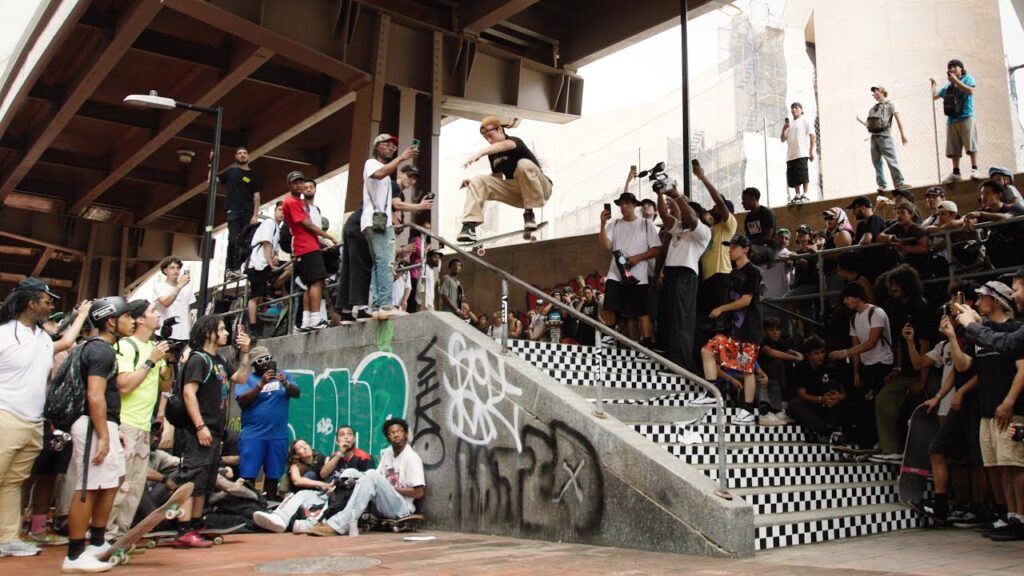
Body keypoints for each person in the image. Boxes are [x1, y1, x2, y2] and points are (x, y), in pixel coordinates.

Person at [62, 296, 135, 573]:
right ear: (111, 321)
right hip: (94, 425)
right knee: (88, 487)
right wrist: (104, 434)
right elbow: (95, 395)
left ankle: (96, 542)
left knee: (111, 480)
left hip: (103, 424)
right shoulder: (101, 351)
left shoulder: (100, 349)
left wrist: (111, 430)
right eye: (127, 316)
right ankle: (74, 554)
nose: (133, 321)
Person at [166, 316, 250, 548]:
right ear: (208, 333)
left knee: (205, 481)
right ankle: (183, 529)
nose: (226, 333)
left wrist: (245, 352)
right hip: (198, 431)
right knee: (191, 480)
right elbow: (188, 394)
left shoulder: (220, 360)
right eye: (221, 329)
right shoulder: (198, 359)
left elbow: (241, 378)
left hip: (215, 431)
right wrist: (200, 426)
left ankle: (194, 525)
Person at [953, 281, 1024, 539]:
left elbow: (1022, 369)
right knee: (1000, 465)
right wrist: (953, 335)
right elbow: (963, 366)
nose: (978, 301)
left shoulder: (1015, 329)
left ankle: (1019, 517)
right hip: (987, 409)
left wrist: (1008, 402)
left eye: (982, 297)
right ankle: (1009, 515)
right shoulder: (982, 333)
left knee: (1015, 465)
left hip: (1010, 409)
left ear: (995, 300)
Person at [0, 278, 63, 558]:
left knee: (13, 483)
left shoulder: (44, 339)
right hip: (5, 415)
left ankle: (7, 538)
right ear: (31, 303)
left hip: (33, 422)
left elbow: (67, 342)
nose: (50, 306)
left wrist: (83, 316)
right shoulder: (4, 334)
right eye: (47, 301)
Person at [105, 300, 172, 543]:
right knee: (119, 484)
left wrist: (169, 362)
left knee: (134, 487)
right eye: (153, 311)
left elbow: (166, 385)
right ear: (140, 319)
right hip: (126, 424)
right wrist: (151, 360)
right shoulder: (126, 346)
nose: (157, 315)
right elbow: (124, 385)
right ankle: (104, 534)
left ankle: (121, 537)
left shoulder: (155, 348)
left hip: (144, 426)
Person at [307, 417, 425, 537]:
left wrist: (393, 488)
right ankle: (322, 520)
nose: (395, 435)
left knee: (371, 475)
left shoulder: (411, 458)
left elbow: (419, 492)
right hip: (381, 504)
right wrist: (345, 481)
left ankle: (340, 524)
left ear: (405, 434)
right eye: (391, 433)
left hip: (401, 508)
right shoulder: (388, 453)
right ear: (388, 437)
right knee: (350, 472)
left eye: (399, 431)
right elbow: (375, 476)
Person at [252, 426, 374, 533]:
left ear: (354, 438)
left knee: (345, 480)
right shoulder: (334, 456)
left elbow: (367, 482)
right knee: (302, 494)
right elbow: (324, 473)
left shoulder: (364, 457)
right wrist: (340, 453)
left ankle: (311, 524)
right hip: (325, 492)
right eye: (342, 435)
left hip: (345, 496)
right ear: (337, 441)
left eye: (349, 434)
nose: (346, 437)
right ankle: (279, 519)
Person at [701, 234, 764, 425]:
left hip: (749, 329)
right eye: (730, 247)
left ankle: (748, 410)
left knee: (747, 369)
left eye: (735, 247)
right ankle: (712, 392)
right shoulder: (733, 273)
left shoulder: (753, 272)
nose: (730, 250)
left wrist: (721, 309)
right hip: (734, 329)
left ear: (746, 249)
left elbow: (746, 301)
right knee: (707, 350)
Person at [458, 116, 552, 242]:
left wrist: (480, 153)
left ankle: (529, 214)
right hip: (518, 193)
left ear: (500, 130)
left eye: (491, 136)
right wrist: (475, 183)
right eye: (486, 138)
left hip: (541, 188)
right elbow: (497, 178)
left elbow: (504, 145)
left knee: (523, 164)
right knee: (478, 180)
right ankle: (469, 227)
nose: (489, 140)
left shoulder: (514, 141)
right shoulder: (493, 155)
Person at [829, 282, 894, 451]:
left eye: (848, 298)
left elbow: (871, 342)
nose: (845, 301)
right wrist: (856, 371)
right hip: (867, 365)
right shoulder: (854, 318)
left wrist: (845, 353)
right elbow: (857, 346)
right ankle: (867, 441)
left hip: (882, 363)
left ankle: (881, 442)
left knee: (875, 404)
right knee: (863, 404)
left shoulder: (876, 313)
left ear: (857, 297)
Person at [362, 135, 419, 320]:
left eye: (394, 146)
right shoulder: (371, 163)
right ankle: (385, 304)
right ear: (377, 146)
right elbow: (378, 174)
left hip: (379, 222)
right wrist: (402, 157)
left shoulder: (386, 174)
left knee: (380, 263)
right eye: (387, 144)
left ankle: (378, 305)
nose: (391, 148)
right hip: (376, 222)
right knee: (386, 262)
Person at [655, 180, 710, 371]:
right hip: (670, 274)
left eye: (688, 211)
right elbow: (663, 214)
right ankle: (671, 360)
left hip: (685, 275)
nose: (684, 214)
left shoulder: (703, 232)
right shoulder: (679, 229)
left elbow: (691, 218)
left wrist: (676, 195)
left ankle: (680, 364)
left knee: (681, 319)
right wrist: (660, 193)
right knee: (669, 317)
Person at [234, 347, 299, 502]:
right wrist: (260, 384)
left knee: (273, 474)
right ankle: (248, 505)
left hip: (277, 435)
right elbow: (242, 401)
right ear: (254, 365)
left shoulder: (283, 376)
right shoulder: (248, 379)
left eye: (268, 359)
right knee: (248, 475)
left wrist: (286, 384)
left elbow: (297, 393)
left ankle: (269, 504)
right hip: (254, 435)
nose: (265, 363)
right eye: (260, 361)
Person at [600, 190, 661, 345]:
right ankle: (609, 335)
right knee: (609, 304)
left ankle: (646, 344)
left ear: (634, 205)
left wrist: (637, 258)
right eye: (621, 203)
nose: (624, 206)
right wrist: (602, 224)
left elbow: (657, 250)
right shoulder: (614, 224)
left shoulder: (646, 224)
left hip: (639, 274)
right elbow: (606, 245)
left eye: (627, 203)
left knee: (642, 311)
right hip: (616, 272)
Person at [282, 171, 336, 331]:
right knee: (317, 282)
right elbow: (309, 225)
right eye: (295, 182)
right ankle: (315, 318)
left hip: (302, 248)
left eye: (301, 182)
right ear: (289, 185)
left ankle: (306, 321)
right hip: (307, 246)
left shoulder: (296, 202)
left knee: (307, 285)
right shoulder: (292, 202)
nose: (299, 185)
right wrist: (329, 237)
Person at [694, 162, 736, 345]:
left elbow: (719, 201)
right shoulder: (709, 229)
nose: (713, 208)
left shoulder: (728, 226)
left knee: (719, 323)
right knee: (705, 322)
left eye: (717, 208)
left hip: (721, 276)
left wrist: (702, 177)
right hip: (706, 278)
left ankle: (722, 360)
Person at [788, 336, 846, 444]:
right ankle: (829, 432)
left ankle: (831, 431)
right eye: (816, 353)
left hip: (828, 404)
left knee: (837, 398)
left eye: (822, 352)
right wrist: (820, 399)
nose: (821, 356)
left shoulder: (830, 365)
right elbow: (801, 394)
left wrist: (839, 397)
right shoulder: (802, 368)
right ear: (808, 355)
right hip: (812, 405)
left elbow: (844, 393)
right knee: (794, 404)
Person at [217, 146, 262, 276]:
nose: (242, 155)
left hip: (248, 212)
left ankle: (237, 268)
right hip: (233, 211)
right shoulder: (231, 172)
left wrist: (255, 215)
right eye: (239, 153)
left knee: (245, 242)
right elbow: (213, 180)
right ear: (236, 157)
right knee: (233, 239)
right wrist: (211, 165)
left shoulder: (254, 176)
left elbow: (257, 196)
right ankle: (230, 268)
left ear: (248, 156)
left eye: (244, 153)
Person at [931, 59, 979, 182]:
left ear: (961, 69)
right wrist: (934, 83)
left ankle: (974, 169)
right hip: (952, 120)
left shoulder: (967, 78)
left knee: (971, 144)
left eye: (954, 67)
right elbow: (935, 96)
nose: (952, 69)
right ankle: (956, 173)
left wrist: (956, 81)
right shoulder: (948, 85)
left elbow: (970, 91)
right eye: (950, 68)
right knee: (954, 148)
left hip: (966, 116)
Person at [856, 86, 909, 192]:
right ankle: (882, 185)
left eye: (876, 91)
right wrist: (860, 120)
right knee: (877, 162)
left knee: (891, 160)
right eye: (873, 92)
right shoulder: (873, 108)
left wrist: (903, 135)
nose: (874, 94)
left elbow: (898, 120)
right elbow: (869, 124)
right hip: (874, 137)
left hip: (885, 136)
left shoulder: (890, 104)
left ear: (882, 92)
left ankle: (899, 183)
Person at [964, 180, 1024, 270]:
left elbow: (1005, 217)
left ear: (999, 195)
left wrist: (981, 214)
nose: (983, 197)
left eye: (987, 193)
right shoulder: (984, 211)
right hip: (998, 259)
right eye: (982, 194)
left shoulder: (1013, 208)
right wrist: (969, 221)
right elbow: (974, 219)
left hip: (1018, 256)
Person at [245, 202, 283, 332]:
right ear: (275, 210)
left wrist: (274, 258)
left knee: (260, 294)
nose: (282, 213)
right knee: (255, 296)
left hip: (263, 265)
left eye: (284, 211)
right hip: (257, 264)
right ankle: (253, 324)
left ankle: (255, 321)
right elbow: (266, 242)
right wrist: (270, 261)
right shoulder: (270, 223)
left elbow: (274, 249)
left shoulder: (277, 228)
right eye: (279, 209)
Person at [152, 256, 195, 342]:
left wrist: (191, 332)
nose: (176, 270)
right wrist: (179, 286)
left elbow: (188, 311)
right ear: (165, 270)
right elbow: (166, 303)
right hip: (165, 333)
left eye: (178, 268)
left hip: (184, 335)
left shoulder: (187, 287)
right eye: (172, 268)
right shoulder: (159, 286)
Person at [780, 102, 816, 203]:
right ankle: (797, 194)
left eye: (796, 108)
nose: (793, 110)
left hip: (802, 152)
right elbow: (782, 139)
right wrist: (784, 128)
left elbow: (812, 135)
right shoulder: (790, 124)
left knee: (803, 173)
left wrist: (811, 151)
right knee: (794, 176)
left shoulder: (805, 120)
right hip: (791, 155)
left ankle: (805, 194)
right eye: (792, 108)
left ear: (801, 109)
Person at [741, 187, 778, 266]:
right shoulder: (748, 217)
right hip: (754, 248)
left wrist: (750, 244)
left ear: (753, 199)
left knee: (743, 255)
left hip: (769, 249)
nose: (742, 202)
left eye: (744, 199)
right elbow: (748, 237)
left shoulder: (767, 213)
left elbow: (767, 237)